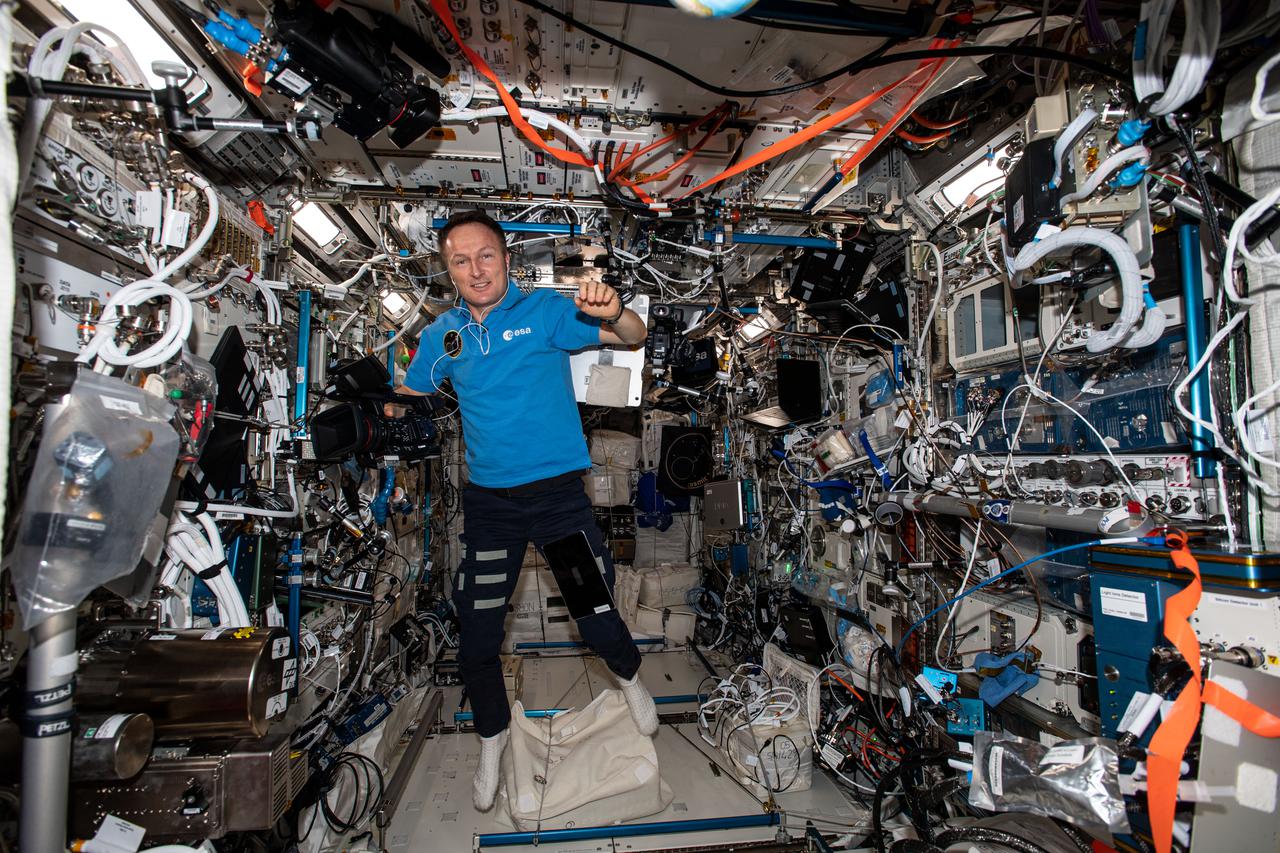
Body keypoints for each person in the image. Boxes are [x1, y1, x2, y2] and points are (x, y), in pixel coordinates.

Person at [389, 210, 657, 812]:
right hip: (492, 506)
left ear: (506, 257)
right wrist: (383, 403)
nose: (475, 270)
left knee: (593, 609)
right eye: (460, 261)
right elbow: (415, 392)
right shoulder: (443, 336)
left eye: (485, 256)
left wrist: (613, 311)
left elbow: (633, 337)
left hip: (558, 497)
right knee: (478, 636)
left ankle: (631, 678)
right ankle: (493, 738)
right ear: (448, 270)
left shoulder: (545, 313)